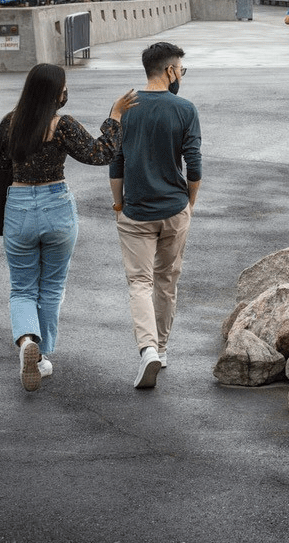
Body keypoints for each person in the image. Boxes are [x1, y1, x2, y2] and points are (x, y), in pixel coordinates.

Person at [0, 64, 138, 392]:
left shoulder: (10, 122)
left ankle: (26, 343)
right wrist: (115, 116)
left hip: (18, 205)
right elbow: (100, 154)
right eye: (63, 87)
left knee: (21, 288)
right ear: (55, 93)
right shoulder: (62, 125)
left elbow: (5, 164)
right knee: (50, 287)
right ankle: (41, 354)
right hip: (56, 207)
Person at [109, 42, 202, 390]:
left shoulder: (125, 108)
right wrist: (189, 204)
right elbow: (194, 164)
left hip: (135, 212)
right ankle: (161, 350)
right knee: (166, 282)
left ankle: (147, 348)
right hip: (174, 209)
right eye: (181, 69)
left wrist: (118, 204)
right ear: (169, 71)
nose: (181, 75)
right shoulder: (185, 109)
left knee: (140, 283)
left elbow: (115, 162)